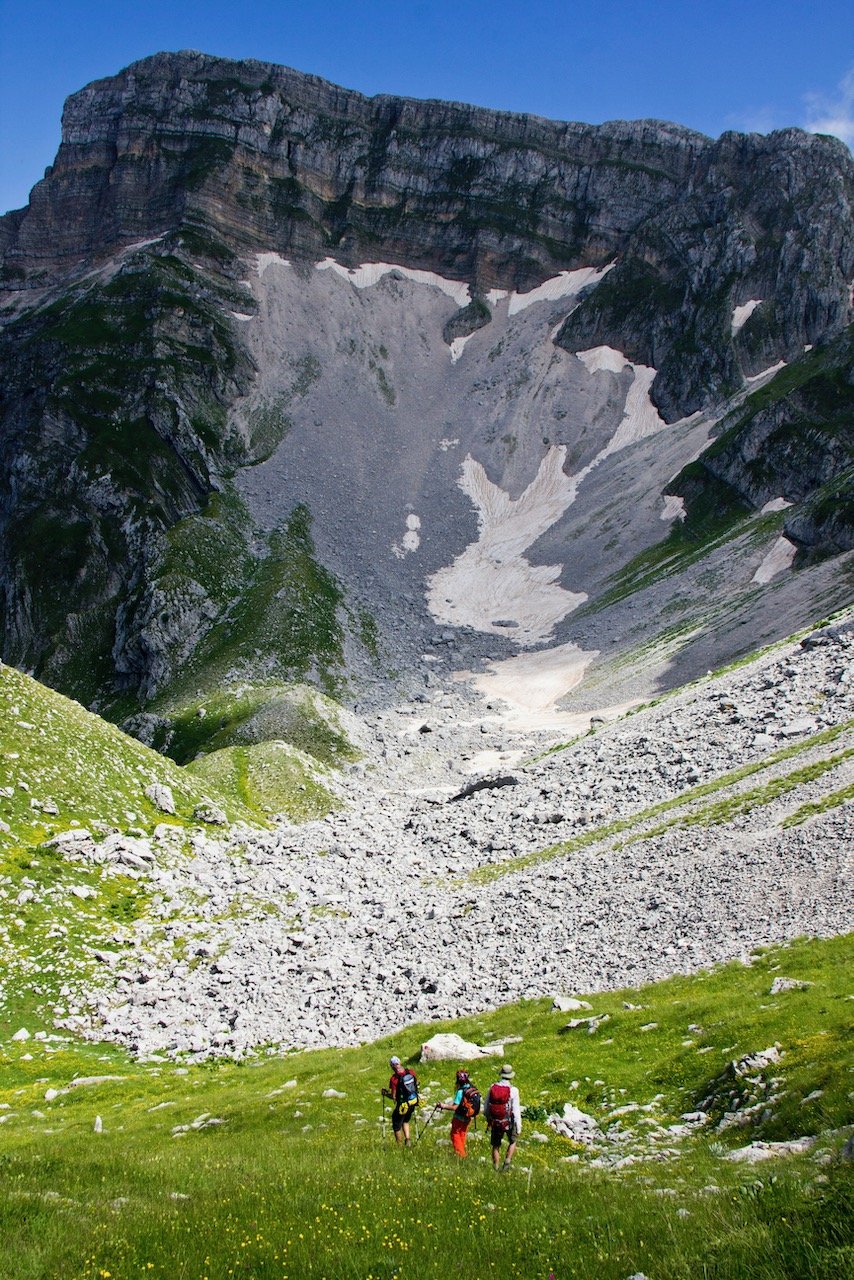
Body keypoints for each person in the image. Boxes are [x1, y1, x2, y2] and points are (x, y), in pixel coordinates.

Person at [484, 1063, 522, 1171]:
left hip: (495, 1121)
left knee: (496, 1145)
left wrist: (488, 1118)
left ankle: (495, 1167)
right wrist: (518, 1126)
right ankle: (507, 1163)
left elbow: (486, 1105)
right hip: (508, 1121)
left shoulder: (493, 1087)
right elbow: (516, 1109)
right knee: (513, 1141)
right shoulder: (513, 1090)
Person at [437, 1068, 480, 1158]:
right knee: (462, 1134)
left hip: (459, 1117)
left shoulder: (461, 1091)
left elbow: (454, 1107)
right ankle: (462, 1151)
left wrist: (443, 1106)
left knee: (455, 1134)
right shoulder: (472, 1088)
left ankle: (461, 1155)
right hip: (468, 1116)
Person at [382, 1055, 419, 1147]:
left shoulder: (394, 1079)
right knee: (405, 1121)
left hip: (402, 1105)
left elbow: (394, 1097)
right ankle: (408, 1140)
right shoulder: (410, 1072)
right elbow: (417, 1083)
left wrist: (385, 1094)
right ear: (400, 1063)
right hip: (413, 1101)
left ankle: (399, 1145)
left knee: (396, 1124)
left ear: (392, 1066)